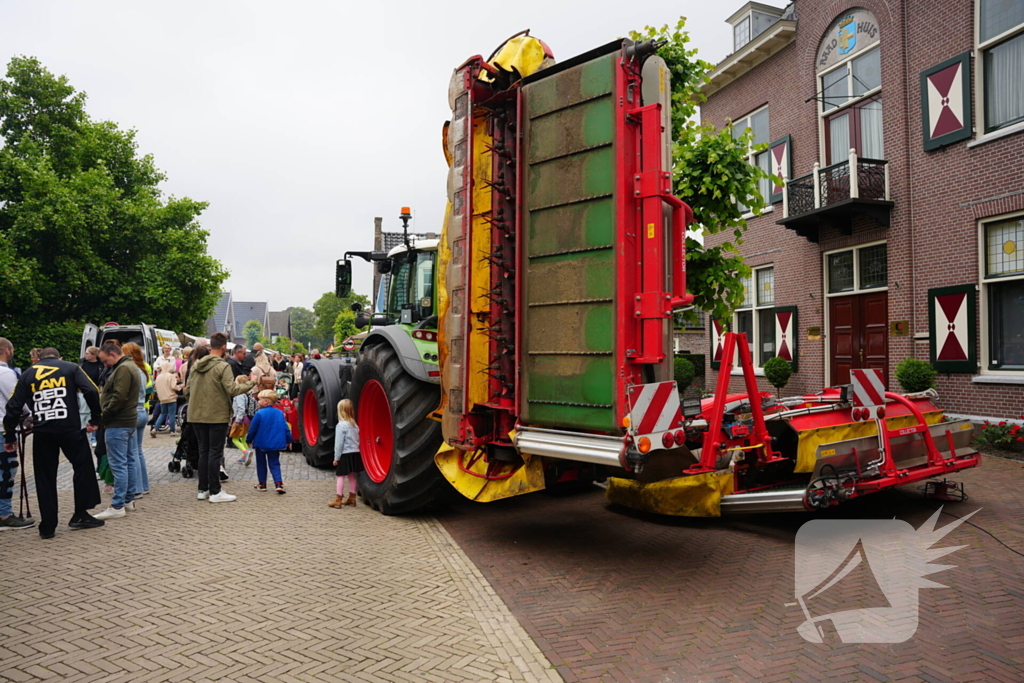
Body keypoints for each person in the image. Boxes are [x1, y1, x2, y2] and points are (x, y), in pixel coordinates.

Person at [3, 347, 104, 538]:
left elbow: (13, 406)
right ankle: (81, 514)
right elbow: (91, 389)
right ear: (59, 357)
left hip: (43, 431)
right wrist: (95, 418)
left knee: (45, 477)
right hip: (71, 429)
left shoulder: (28, 374)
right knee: (83, 468)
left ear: (38, 359)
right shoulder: (71, 368)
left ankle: (48, 526)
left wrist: (10, 436)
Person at [185, 332, 254, 503]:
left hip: (196, 414)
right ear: (224, 347)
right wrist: (251, 383)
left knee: (203, 452)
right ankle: (215, 491)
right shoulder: (222, 366)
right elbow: (232, 390)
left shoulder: (195, 366)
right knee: (215, 452)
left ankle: (203, 489)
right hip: (216, 414)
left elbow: (187, 390)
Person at [93, 341, 142, 520]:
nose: (105, 365)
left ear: (113, 355)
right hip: (128, 421)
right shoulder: (131, 366)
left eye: (105, 361)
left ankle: (117, 505)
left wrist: (103, 415)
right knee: (128, 461)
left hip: (117, 422)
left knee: (119, 464)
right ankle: (127, 499)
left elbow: (120, 396)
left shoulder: (123, 369)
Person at [0, 338, 34, 530]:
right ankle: (5, 515)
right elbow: (17, 402)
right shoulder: (5, 373)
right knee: (6, 471)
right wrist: (29, 416)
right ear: (7, 350)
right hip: (3, 428)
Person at [121, 342, 152, 498]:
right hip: (142, 410)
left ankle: (137, 488)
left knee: (132, 453)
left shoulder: (130, 370)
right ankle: (144, 485)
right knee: (138, 451)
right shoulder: (142, 370)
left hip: (133, 412)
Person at [246, 390, 292, 494]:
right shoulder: (280, 413)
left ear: (266, 401)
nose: (258, 401)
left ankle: (262, 484)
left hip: (261, 443)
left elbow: (253, 429)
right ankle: (279, 483)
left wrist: (249, 440)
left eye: (259, 399)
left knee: (261, 463)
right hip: (275, 444)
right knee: (275, 463)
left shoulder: (259, 414)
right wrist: (289, 440)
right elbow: (285, 427)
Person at [328, 399, 362, 508]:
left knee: (340, 476)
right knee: (352, 476)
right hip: (355, 452)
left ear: (340, 411)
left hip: (345, 454)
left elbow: (339, 443)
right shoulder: (355, 425)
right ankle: (352, 498)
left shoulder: (341, 425)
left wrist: (336, 457)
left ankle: (338, 499)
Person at [230, 375, 255, 463]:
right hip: (246, 419)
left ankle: (246, 452)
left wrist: (237, 420)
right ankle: (244, 456)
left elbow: (241, 408)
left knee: (235, 439)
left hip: (240, 419)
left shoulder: (239, 395)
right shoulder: (246, 394)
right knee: (243, 439)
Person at [152, 363, 182, 436]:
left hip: (162, 399)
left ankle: (155, 428)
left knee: (163, 414)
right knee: (171, 414)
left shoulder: (158, 377)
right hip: (171, 398)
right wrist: (181, 386)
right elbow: (173, 386)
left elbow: (155, 387)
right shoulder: (171, 376)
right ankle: (172, 431)